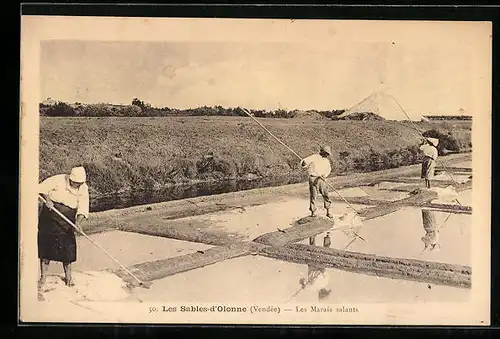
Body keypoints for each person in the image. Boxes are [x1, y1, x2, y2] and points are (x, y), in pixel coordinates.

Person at [37, 166, 89, 288]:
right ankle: (43, 278)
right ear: (70, 180)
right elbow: (41, 188)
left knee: (68, 250)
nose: (77, 186)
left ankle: (68, 278)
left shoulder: (83, 188)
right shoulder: (58, 179)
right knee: (46, 249)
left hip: (68, 219)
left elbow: (83, 206)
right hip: (50, 217)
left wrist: (78, 222)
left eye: (79, 184)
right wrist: (48, 199)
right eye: (75, 183)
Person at [301, 145, 333, 218]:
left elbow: (329, 170)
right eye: (326, 153)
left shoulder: (326, 160)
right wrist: (304, 163)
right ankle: (313, 212)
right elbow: (304, 162)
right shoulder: (314, 157)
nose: (327, 155)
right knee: (313, 195)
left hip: (322, 179)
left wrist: (325, 175)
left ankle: (328, 212)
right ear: (322, 152)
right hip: (313, 178)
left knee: (326, 195)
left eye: (328, 154)